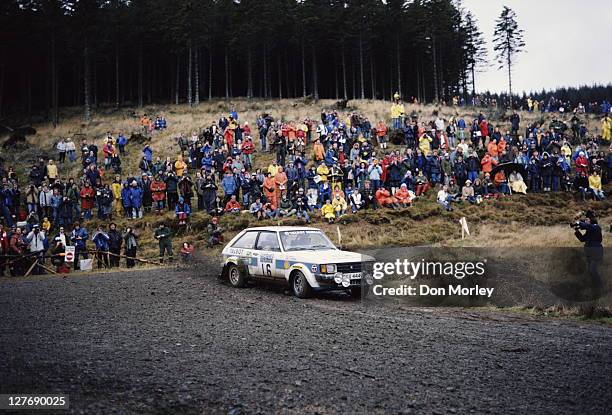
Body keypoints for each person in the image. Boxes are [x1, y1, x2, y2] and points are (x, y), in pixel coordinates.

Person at [573, 211, 603, 296]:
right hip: (589, 252)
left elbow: (588, 226)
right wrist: (576, 230)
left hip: (596, 251)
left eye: (586, 219)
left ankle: (600, 287)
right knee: (590, 271)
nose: (585, 221)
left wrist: (579, 222)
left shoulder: (596, 227)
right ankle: (594, 288)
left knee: (592, 270)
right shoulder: (589, 230)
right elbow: (582, 239)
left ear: (591, 220)